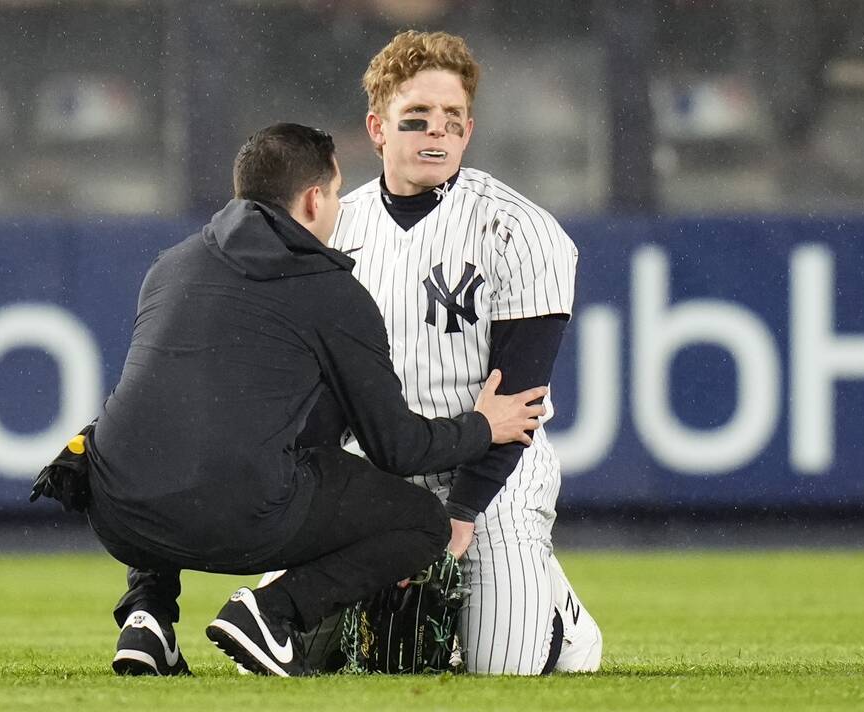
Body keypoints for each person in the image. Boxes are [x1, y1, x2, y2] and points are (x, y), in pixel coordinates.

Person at [70, 122, 549, 678]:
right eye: (338, 193)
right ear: (313, 197)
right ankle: (272, 615)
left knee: (165, 437)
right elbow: (397, 448)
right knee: (422, 524)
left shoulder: (171, 263)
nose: (341, 208)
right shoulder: (331, 289)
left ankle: (148, 617)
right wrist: (482, 427)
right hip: (234, 519)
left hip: (113, 509)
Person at [321, 30, 603, 675]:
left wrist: (457, 519)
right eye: (416, 119)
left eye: (452, 120)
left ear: (469, 132)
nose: (436, 134)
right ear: (377, 129)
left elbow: (519, 401)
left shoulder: (521, 230)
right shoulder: (336, 228)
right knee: (298, 656)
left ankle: (561, 620)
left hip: (490, 471)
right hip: (371, 470)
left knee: (499, 669)